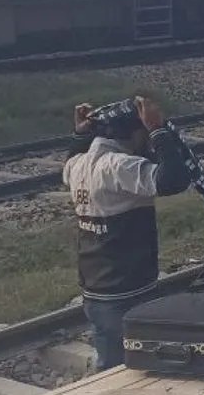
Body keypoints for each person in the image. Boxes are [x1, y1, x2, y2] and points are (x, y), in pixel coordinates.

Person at [64, 96, 194, 371]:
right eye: (143, 134)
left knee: (108, 353)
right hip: (126, 288)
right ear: (135, 133)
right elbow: (173, 179)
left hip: (94, 284)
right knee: (125, 368)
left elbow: (72, 155)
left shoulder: (77, 165)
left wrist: (79, 134)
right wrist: (158, 130)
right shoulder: (119, 167)